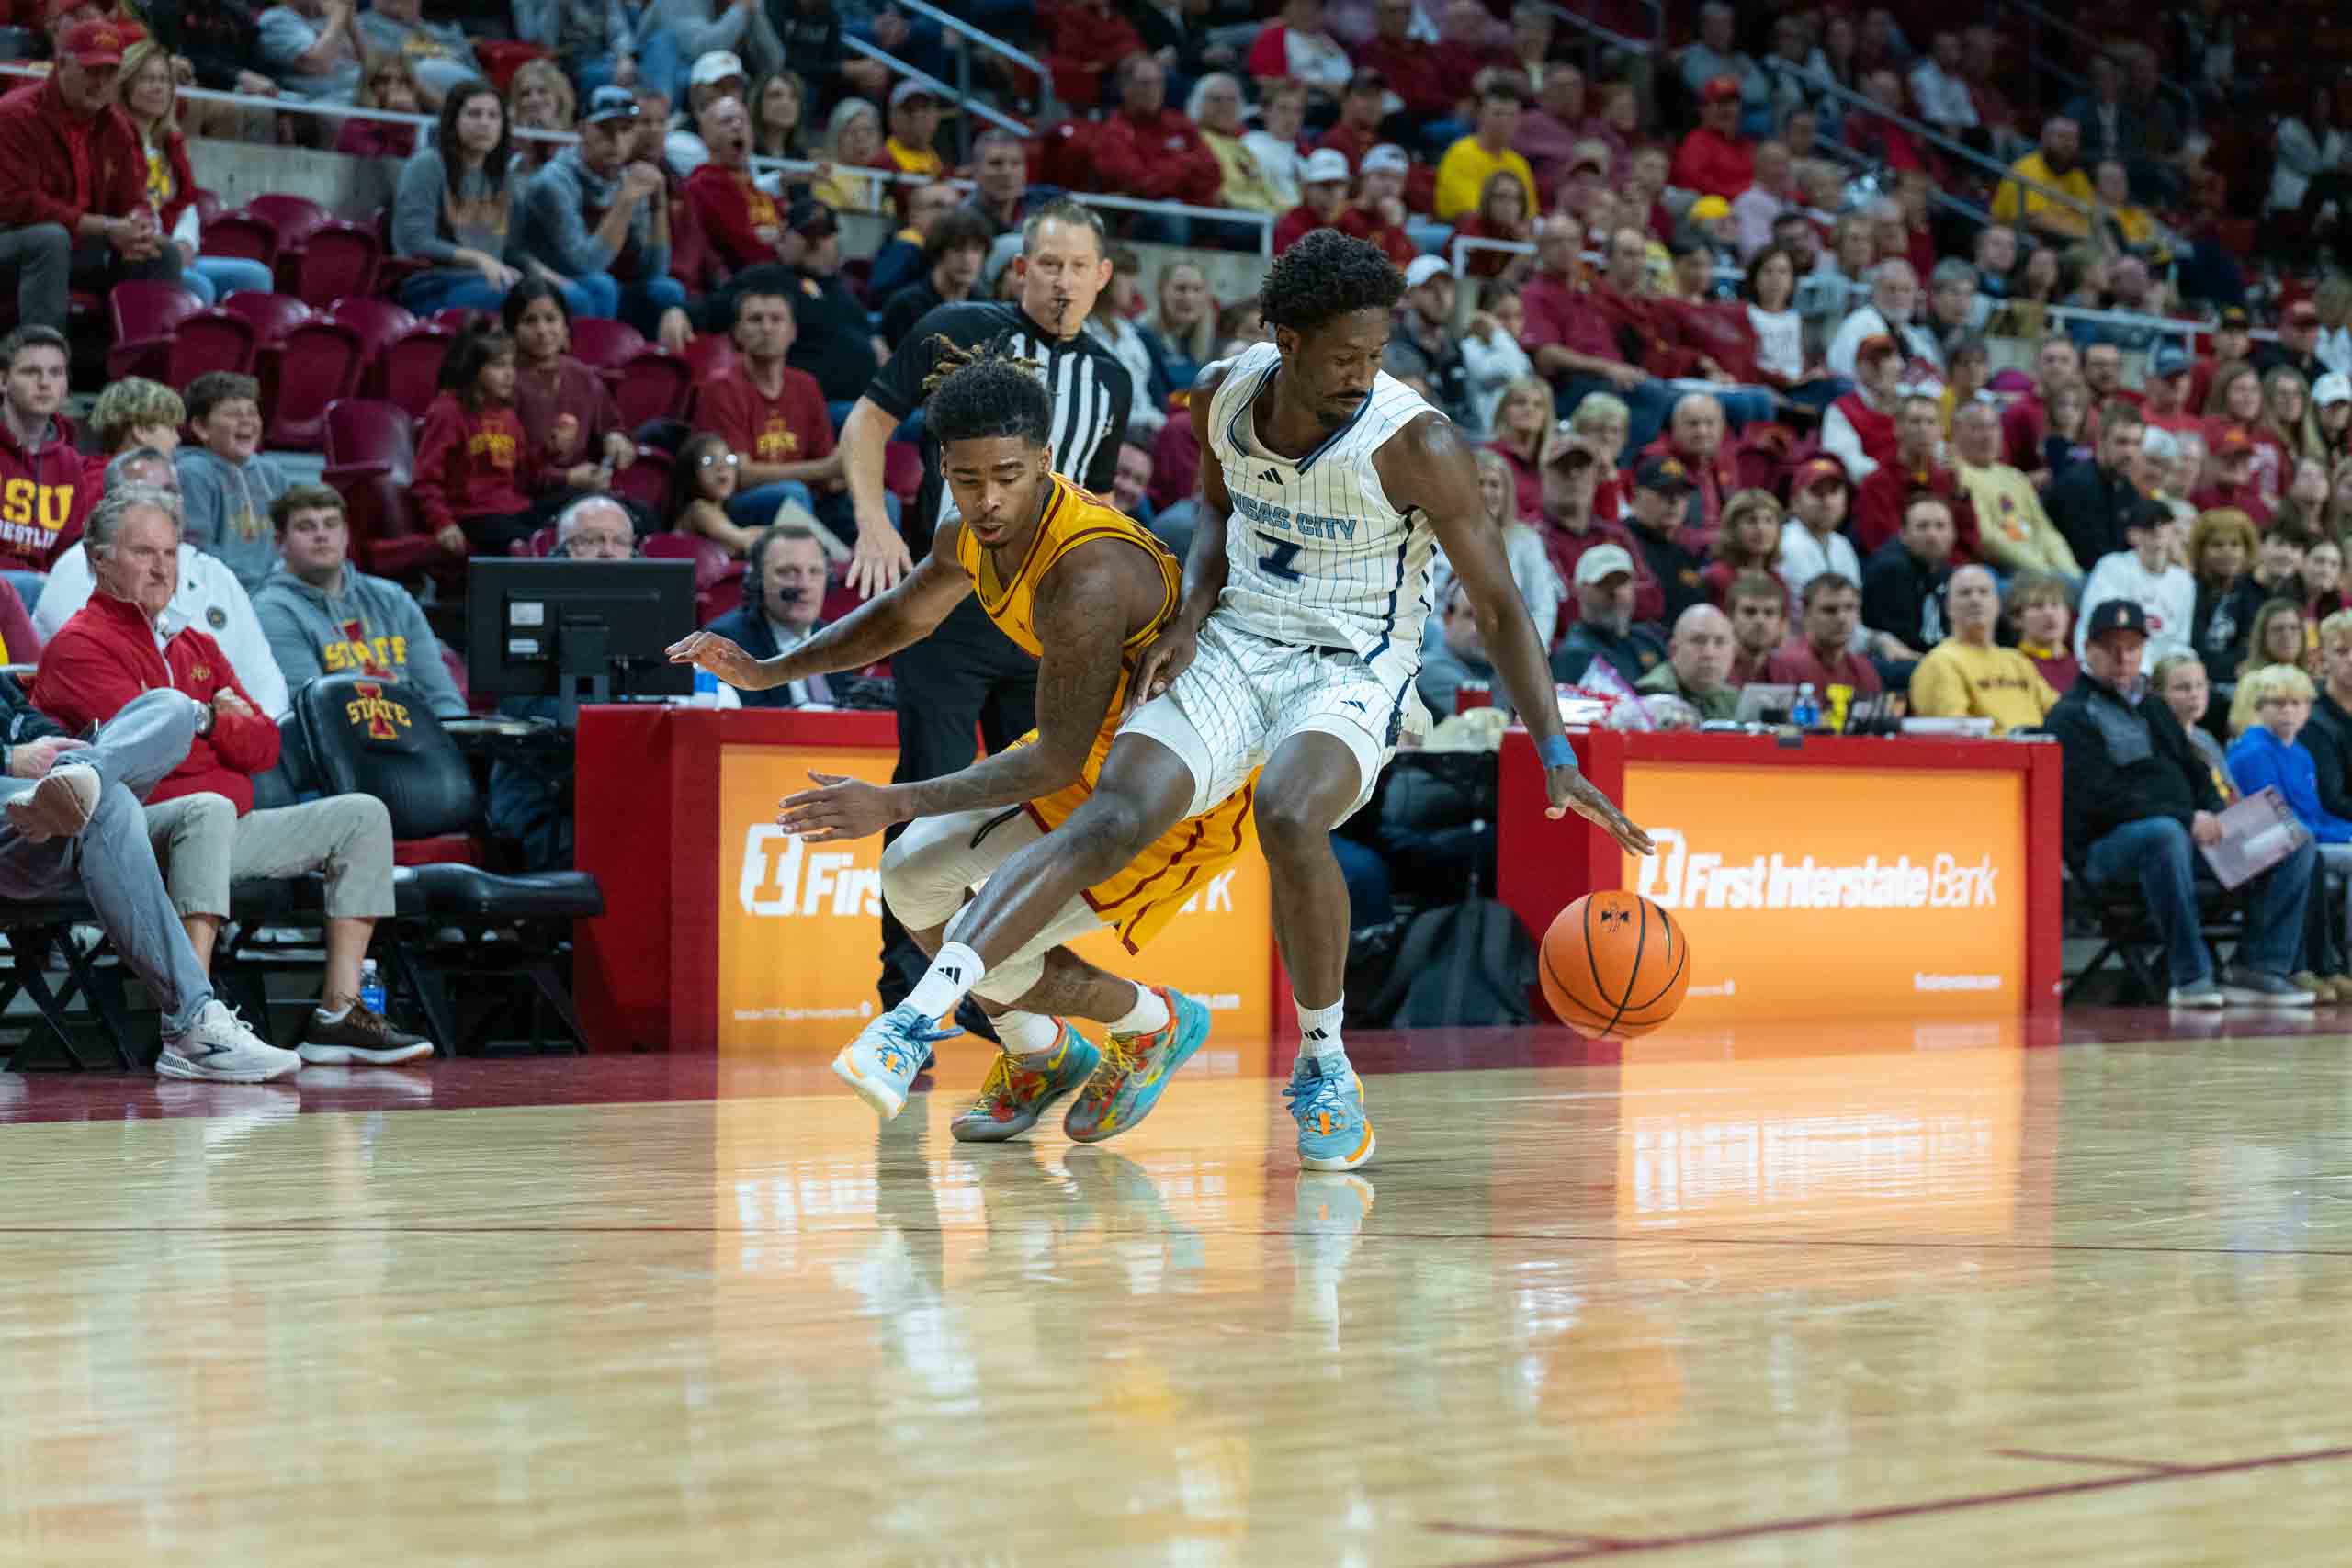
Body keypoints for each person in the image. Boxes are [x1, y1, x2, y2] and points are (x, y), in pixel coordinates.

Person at [778, 230, 1650, 1168]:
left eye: (1377, 353)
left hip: (1352, 664)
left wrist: (1554, 750)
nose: (1364, 373)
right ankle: (931, 1021)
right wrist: (1193, 609)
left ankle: (1323, 1062)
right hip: (1238, 642)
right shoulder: (1224, 391)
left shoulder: (1416, 441)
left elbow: (1499, 605)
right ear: (1285, 338)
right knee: (1114, 806)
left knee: (1288, 811)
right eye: (1345, 355)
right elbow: (1216, 511)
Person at [672, 345, 1244, 1145]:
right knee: (909, 875)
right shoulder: (965, 526)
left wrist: (892, 800)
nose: (987, 500)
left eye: (1009, 475)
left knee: (996, 948)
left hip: (1167, 787)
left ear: (1045, 460)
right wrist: (770, 669)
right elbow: (902, 616)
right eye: (967, 479)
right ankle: (1039, 1052)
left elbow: (1053, 763)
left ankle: (1153, 1022)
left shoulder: (1086, 575)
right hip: (1084, 753)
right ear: (944, 465)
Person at [831, 198, 1135, 1010]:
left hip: (1049, 621)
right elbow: (865, 423)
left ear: (1102, 278)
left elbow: (1097, 501)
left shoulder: (1110, 379)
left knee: (1040, 811)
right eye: (1048, 264)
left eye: (1078, 267)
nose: (1062, 281)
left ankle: (1014, 1009)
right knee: (928, 780)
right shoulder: (960, 328)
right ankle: (906, 994)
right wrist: (873, 524)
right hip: (956, 604)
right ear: (1020, 268)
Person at [32, 486, 440, 1061]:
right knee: (211, 805)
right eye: (142, 552)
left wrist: (204, 731)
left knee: (360, 816)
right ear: (99, 560)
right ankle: (191, 1021)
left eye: (170, 553)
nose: (161, 567)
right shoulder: (78, 647)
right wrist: (214, 726)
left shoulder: (194, 641)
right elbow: (154, 763)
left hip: (214, 826)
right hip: (124, 836)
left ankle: (340, 1013)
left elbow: (265, 746)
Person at [2049, 597, 2314, 1009]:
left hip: (2187, 837)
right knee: (2163, 833)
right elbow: (2099, 799)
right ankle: (2190, 975)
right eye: (2111, 647)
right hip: (2110, 850)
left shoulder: (2153, 706)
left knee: (2293, 837)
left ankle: (2259, 966)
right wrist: (2185, 816)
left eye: (2133, 647)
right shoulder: (2071, 715)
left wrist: (2221, 814)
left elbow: (2196, 772)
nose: (2123, 657)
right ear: (2088, 650)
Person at [39, 446, 286, 716]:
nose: (161, 502)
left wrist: (257, 729)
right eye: (144, 491)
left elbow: (263, 680)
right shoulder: (79, 566)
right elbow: (130, 716)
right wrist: (215, 722)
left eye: (170, 491)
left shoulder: (215, 574)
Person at [0, 21, 182, 333]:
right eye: (91, 71)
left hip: (81, 248)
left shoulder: (117, 127)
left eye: (110, 74)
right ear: (61, 65)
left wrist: (138, 225)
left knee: (160, 252)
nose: (101, 83)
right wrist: (107, 227)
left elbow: (132, 201)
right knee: (49, 238)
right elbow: (16, 205)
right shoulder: (15, 115)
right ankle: (44, 364)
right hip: (13, 242)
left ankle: (140, 371)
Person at [251, 486, 465, 719]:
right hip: (339, 746)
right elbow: (311, 714)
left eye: (331, 524)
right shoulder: (271, 610)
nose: (321, 535)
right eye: (306, 527)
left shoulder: (393, 598)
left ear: (346, 536)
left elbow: (441, 694)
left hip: (414, 742)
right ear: (280, 542)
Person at [112, 39, 277, 310]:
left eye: (164, 80)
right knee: (200, 286)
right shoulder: (114, 139)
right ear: (126, 85)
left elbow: (186, 203)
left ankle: (238, 351)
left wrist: (185, 243)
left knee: (256, 276)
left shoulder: (170, 143)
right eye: (147, 79)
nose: (158, 88)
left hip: (176, 249)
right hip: (142, 254)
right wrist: (167, 249)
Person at [521, 85, 684, 335]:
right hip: (545, 283)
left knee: (668, 290)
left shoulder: (626, 179)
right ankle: (597, 365)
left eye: (625, 129)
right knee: (600, 286)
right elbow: (585, 264)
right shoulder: (553, 183)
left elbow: (654, 270)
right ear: (582, 130)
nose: (616, 140)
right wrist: (625, 203)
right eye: (605, 130)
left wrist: (657, 205)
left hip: (600, 283)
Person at [691, 281, 845, 541]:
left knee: (883, 500)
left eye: (776, 319)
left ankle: (867, 578)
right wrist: (823, 469)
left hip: (805, 497)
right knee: (791, 494)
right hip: (739, 504)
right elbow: (739, 474)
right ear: (737, 333)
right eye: (755, 319)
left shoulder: (806, 385)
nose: (766, 327)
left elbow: (828, 473)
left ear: (793, 331)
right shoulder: (720, 388)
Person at [392, 80, 548, 318]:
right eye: (474, 114)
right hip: (432, 283)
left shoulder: (502, 176)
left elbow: (511, 249)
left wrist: (541, 272)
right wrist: (480, 259)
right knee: (517, 304)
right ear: (454, 121)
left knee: (580, 295)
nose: (484, 123)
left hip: (494, 279)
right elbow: (416, 241)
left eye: (493, 116)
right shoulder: (427, 165)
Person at [503, 280, 640, 515]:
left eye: (551, 319)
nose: (543, 330)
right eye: (529, 320)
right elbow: (508, 467)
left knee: (641, 516)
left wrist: (616, 439)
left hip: (584, 492)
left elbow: (613, 426)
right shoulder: (503, 382)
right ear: (512, 330)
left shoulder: (584, 376)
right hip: (526, 500)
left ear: (566, 327)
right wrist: (566, 478)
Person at [413, 321, 543, 558]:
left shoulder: (508, 414)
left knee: (573, 513)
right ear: (473, 370)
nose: (509, 374)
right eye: (498, 366)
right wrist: (443, 523)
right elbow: (425, 481)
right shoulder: (447, 412)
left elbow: (525, 476)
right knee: (528, 542)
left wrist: (550, 450)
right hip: (470, 515)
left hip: (512, 507)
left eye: (511, 365)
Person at [695, 521, 836, 707]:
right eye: (787, 572)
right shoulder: (729, 643)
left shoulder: (835, 638)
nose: (804, 585)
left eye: (815, 572)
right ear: (757, 579)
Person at [172, 372, 288, 593]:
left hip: (273, 588)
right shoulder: (194, 473)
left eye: (253, 413)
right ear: (201, 428)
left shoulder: (272, 472)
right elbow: (197, 551)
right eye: (234, 414)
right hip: (221, 591)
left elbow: (287, 539)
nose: (247, 421)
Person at [1908, 566, 2057, 733]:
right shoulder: (1939, 662)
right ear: (1948, 607)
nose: (1975, 599)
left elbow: (2059, 714)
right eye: (1965, 593)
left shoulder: (2017, 660)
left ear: (1997, 604)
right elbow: (1954, 735)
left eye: (1984, 592)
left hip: (2041, 753)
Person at [1532, 430, 1657, 628]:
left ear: (1596, 474)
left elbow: (1653, 599)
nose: (1573, 474)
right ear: (1542, 474)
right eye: (1561, 466)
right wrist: (1620, 595)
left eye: (1581, 466)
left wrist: (1594, 598)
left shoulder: (1616, 534)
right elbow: (1562, 612)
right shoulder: (1533, 539)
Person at [1951, 399, 2082, 583]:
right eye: (1977, 428)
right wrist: (2043, 571)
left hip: (2041, 566)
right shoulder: (1957, 476)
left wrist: (2070, 571)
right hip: (1999, 570)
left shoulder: (2015, 476)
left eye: (1993, 427)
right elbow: (1987, 538)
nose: (1987, 436)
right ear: (1957, 433)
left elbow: (2044, 529)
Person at [0, 327, 90, 587]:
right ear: (4, 381)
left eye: (56, 373)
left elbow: (68, 555)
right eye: (31, 372)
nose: (44, 383)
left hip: (41, 596)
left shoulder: (69, 463)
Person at [1851, 392, 1982, 558]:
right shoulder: (1877, 484)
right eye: (1915, 422)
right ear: (1897, 428)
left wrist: (1959, 492)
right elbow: (1882, 546)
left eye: (1931, 422)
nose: (1923, 429)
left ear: (1941, 431)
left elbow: (1970, 542)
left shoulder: (1947, 480)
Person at [2075, 499, 2194, 671]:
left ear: (2174, 530)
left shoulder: (2184, 581)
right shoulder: (2113, 567)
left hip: (2162, 669)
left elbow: (2180, 640)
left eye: (2163, 523)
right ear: (2132, 535)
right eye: (2148, 525)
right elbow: (2104, 628)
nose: (2157, 530)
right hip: (2116, 660)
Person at [1860, 491, 1956, 665]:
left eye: (1940, 526)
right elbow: (1901, 645)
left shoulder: (1947, 572)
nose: (1932, 535)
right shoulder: (1891, 570)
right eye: (1922, 526)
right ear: (1903, 534)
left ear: (1953, 534)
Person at [1553, 545, 1668, 687]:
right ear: (1579, 590)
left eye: (1621, 582)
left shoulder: (1649, 639)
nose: (1614, 592)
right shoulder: (1573, 656)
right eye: (1603, 583)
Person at [1763, 573, 1884, 707]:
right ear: (1806, 613)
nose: (1841, 618)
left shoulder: (1864, 668)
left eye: (1849, 608)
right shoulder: (1785, 665)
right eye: (1829, 610)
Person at [878, 208, 992, 350]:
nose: (967, 259)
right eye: (957, 249)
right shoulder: (906, 306)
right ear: (939, 252)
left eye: (975, 250)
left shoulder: (984, 307)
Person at [1621, 455, 1709, 626]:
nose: (1674, 501)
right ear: (1636, 494)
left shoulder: (1684, 553)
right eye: (1664, 492)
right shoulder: (1621, 543)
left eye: (1681, 494)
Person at [1434, 80, 1537, 221]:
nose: (1505, 121)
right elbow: (1469, 213)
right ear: (1481, 115)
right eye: (1498, 113)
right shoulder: (1461, 154)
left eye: (1512, 115)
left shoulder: (1519, 163)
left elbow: (1529, 215)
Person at [1992, 115, 2094, 246]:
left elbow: (2091, 218)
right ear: (2044, 139)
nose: (2067, 144)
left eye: (2073, 139)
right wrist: (2078, 228)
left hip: (2062, 243)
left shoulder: (2077, 176)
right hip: (2014, 243)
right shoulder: (2026, 168)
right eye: (2062, 137)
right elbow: (2035, 220)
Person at [353, 0, 472, 107]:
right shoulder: (357, 27)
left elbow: (481, 85)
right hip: (386, 111)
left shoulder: (447, 35)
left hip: (467, 112)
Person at [1776, 457, 1860, 603]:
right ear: (1795, 502)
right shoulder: (1784, 543)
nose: (1827, 501)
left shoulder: (1842, 544)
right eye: (1817, 492)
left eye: (1833, 492)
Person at [1636, 603, 1740, 721]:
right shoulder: (1652, 695)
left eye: (1720, 642)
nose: (1709, 653)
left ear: (1734, 651)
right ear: (1674, 650)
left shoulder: (1734, 700)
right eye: (1698, 641)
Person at [1418, 578, 1503, 719]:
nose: (1480, 628)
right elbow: (1484, 726)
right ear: (1447, 619)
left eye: (1488, 620)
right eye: (1469, 615)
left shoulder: (1493, 668)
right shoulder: (1429, 668)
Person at [1724, 569, 1788, 684]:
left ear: (1781, 622)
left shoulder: (1788, 671)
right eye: (1750, 611)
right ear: (1730, 618)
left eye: (1769, 612)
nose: (1760, 620)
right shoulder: (1715, 669)